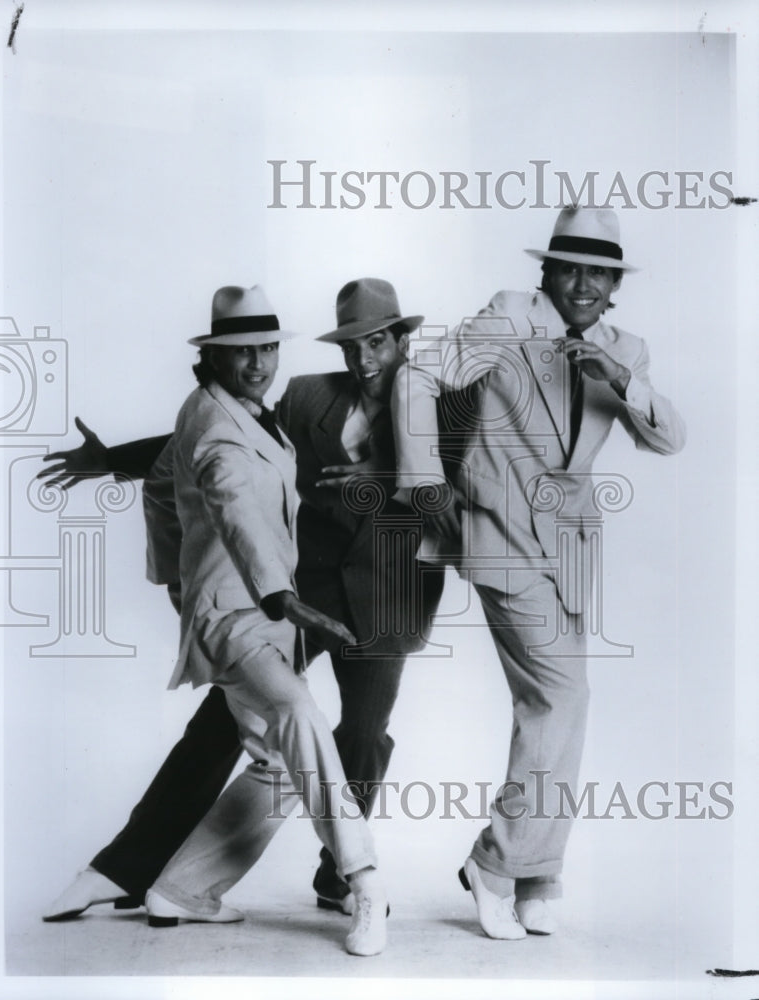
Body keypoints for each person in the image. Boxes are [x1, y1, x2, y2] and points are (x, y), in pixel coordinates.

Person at [41, 279, 441, 926]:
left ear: (401, 340)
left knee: (360, 736)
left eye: (377, 342)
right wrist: (113, 460)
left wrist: (391, 479)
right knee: (227, 724)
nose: (363, 358)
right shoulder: (309, 395)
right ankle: (125, 869)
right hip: (296, 588)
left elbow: (453, 497)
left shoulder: (434, 408)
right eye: (350, 344)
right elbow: (218, 451)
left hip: (389, 595)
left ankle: (336, 878)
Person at [390, 206, 686, 940]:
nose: (582, 284)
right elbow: (418, 375)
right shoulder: (509, 315)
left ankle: (534, 873)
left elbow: (669, 440)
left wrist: (622, 379)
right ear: (545, 271)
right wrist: (424, 481)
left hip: (571, 545)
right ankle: (495, 864)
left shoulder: (626, 346)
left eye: (599, 272)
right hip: (496, 525)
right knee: (562, 695)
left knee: (556, 706)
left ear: (616, 284)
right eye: (569, 268)